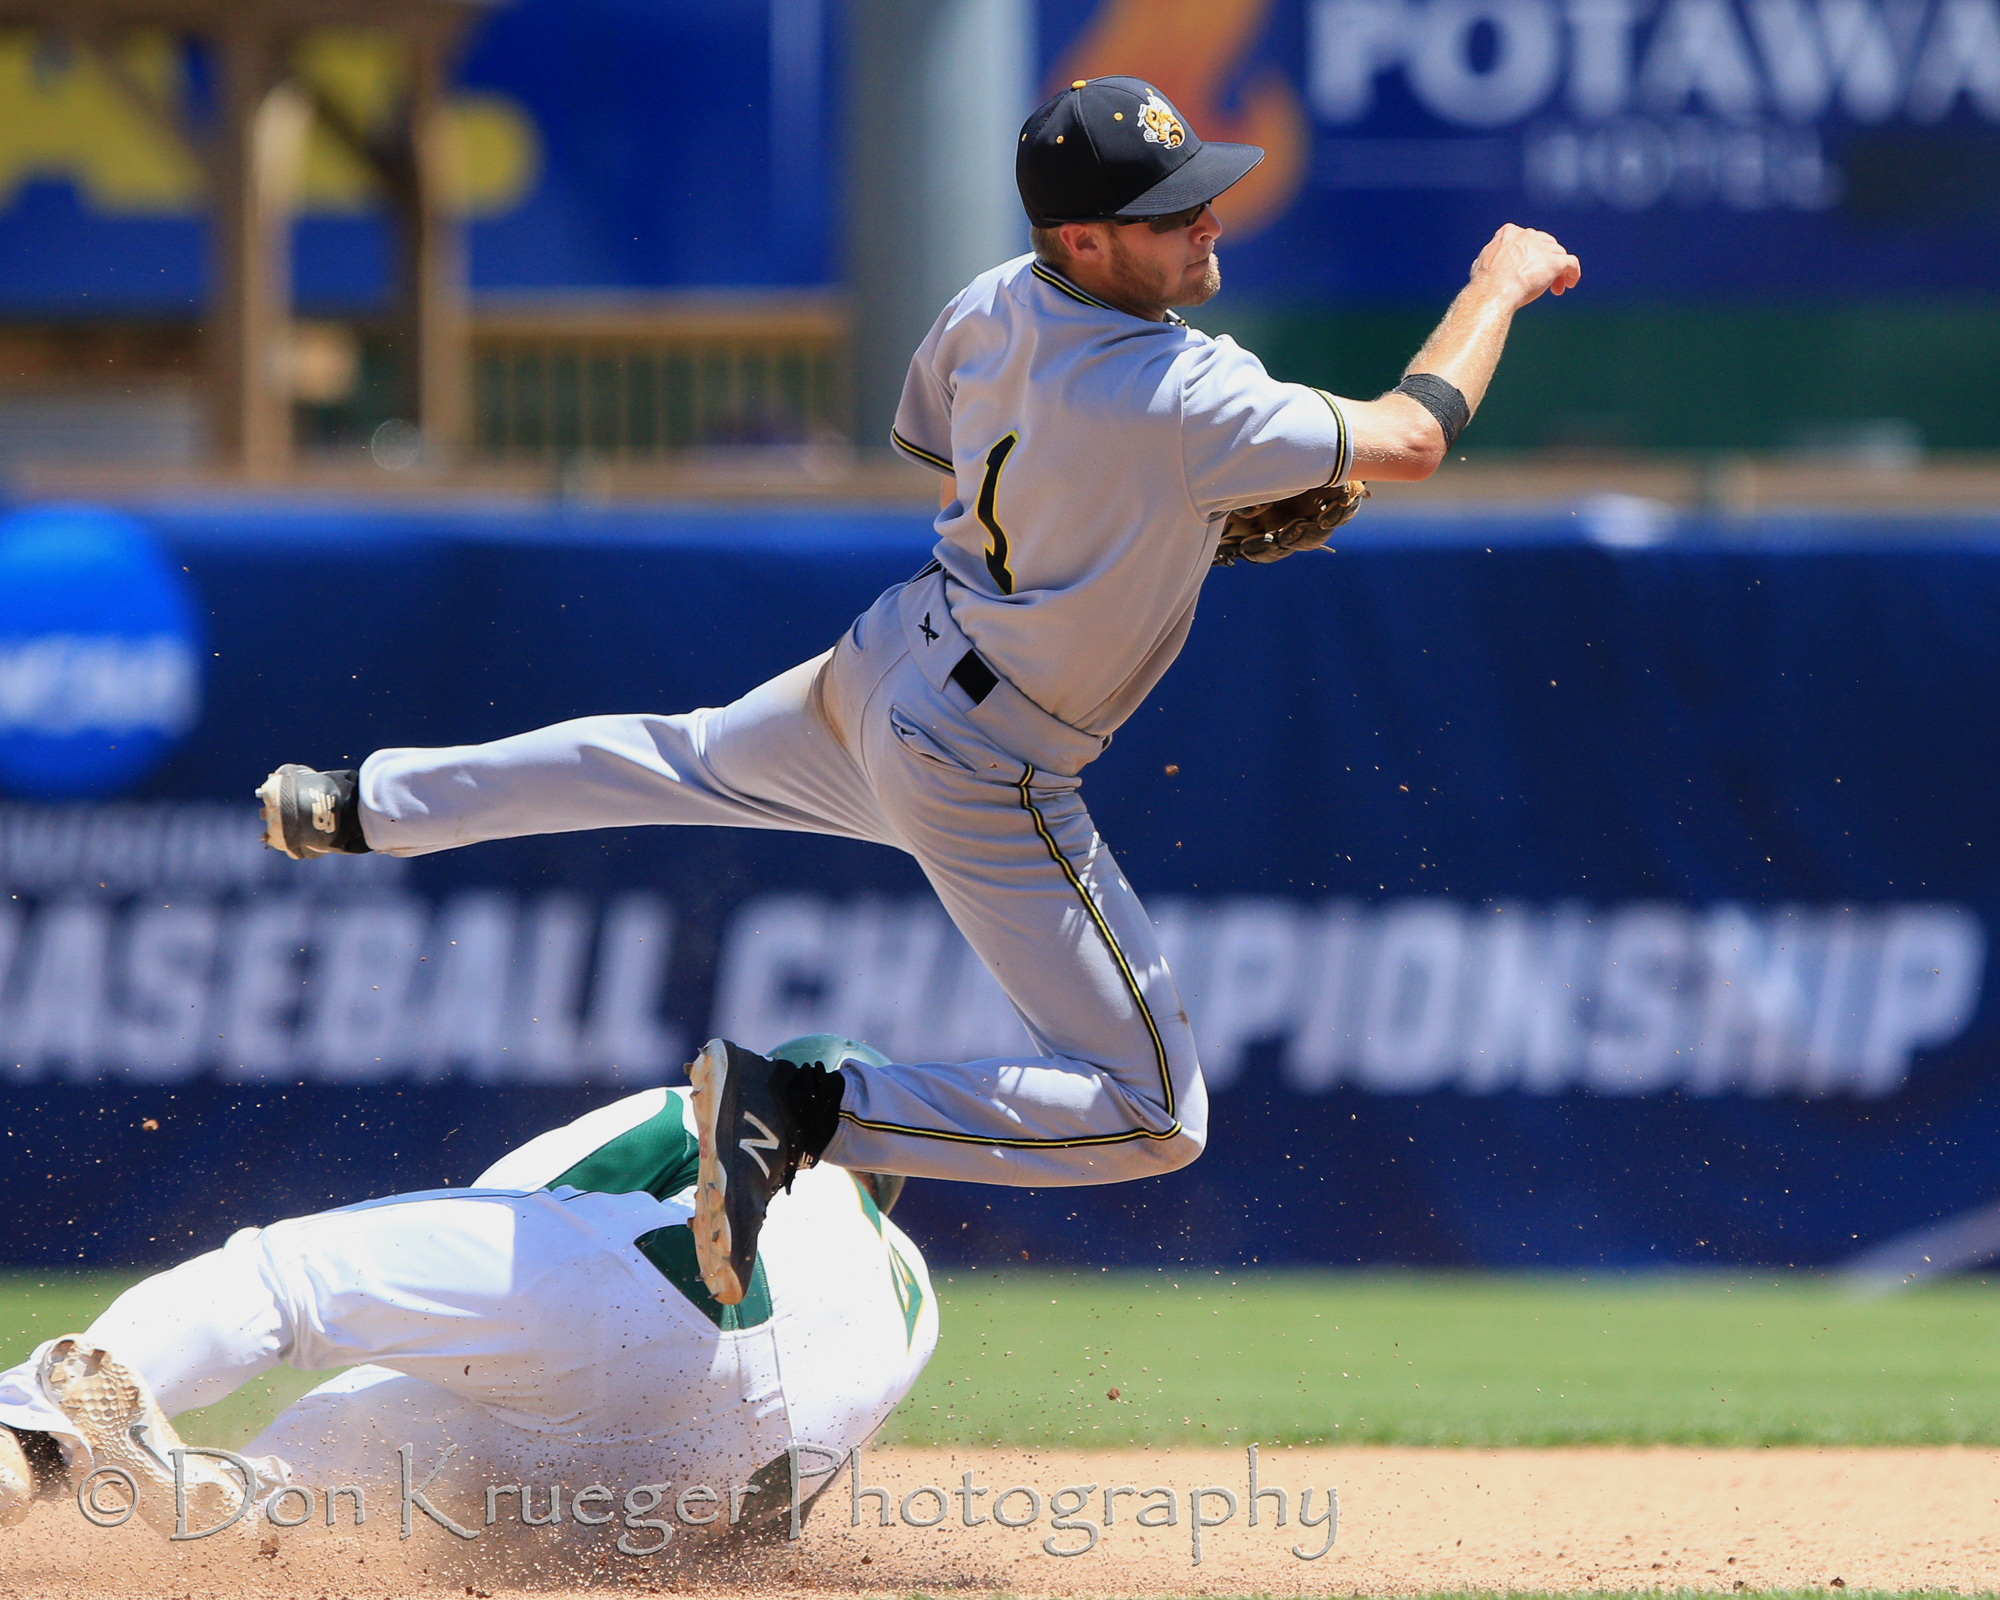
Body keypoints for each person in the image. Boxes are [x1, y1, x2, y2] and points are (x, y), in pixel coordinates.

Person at [252, 74, 1580, 1309]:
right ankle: (800, 1107)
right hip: (986, 756)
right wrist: (1497, 283)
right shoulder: (1188, 391)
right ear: (1083, 240)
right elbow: (1412, 437)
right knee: (1154, 1113)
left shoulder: (991, 301)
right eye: (1167, 213)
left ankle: (359, 805)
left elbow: (955, 449)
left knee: (668, 754)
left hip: (895, 656)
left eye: (1200, 195)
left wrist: (1134, 522)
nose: (1205, 223)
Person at [0, 1036, 936, 1548]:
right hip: (663, 1497)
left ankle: (27, 1437)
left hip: (639, 1310)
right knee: (375, 1443)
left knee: (285, 1279)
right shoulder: (916, 1304)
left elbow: (523, 1206)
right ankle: (252, 1507)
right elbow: (776, 1520)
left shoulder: (717, 1118)